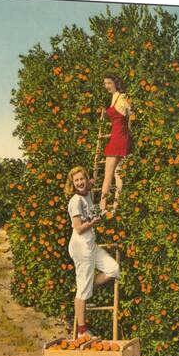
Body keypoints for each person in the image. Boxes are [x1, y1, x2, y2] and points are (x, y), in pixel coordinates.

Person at [64, 165, 120, 339]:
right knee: (82, 291)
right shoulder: (75, 201)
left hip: (91, 246)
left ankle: (88, 289)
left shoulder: (87, 193)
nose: (80, 182)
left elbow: (97, 190)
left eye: (82, 179)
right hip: (81, 248)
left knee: (113, 269)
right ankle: (82, 331)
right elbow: (79, 227)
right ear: (72, 184)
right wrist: (95, 221)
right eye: (76, 181)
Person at [99, 73, 134, 213]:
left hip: (119, 137)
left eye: (108, 83)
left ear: (115, 83)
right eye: (105, 83)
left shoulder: (122, 96)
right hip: (120, 137)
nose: (106, 86)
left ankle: (102, 207)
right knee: (118, 174)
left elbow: (129, 114)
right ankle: (115, 207)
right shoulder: (115, 96)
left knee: (109, 175)